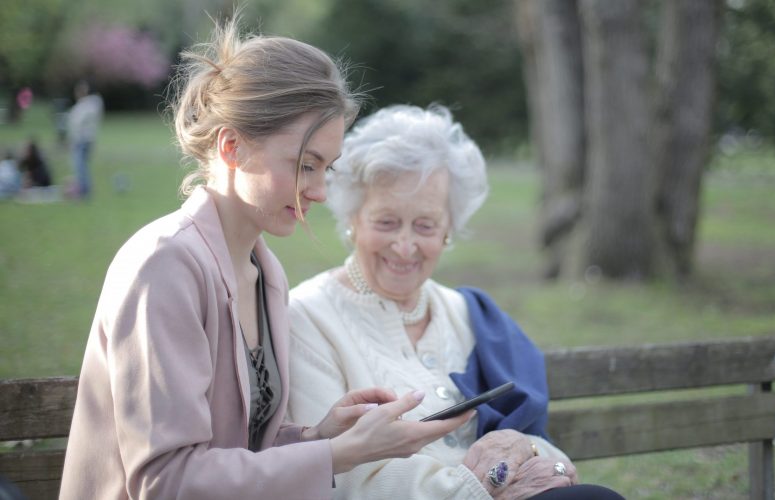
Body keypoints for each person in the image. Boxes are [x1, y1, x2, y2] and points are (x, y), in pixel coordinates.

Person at [59, 19, 472, 500]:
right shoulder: (164, 266)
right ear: (232, 147)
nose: (318, 191)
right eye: (304, 165)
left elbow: (240, 448)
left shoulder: (264, 271)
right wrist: (338, 456)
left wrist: (321, 436)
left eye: (326, 168)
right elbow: (166, 482)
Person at [287, 105, 624, 500]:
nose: (405, 245)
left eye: (426, 225)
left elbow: (545, 451)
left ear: (448, 231)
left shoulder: (468, 314)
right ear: (353, 219)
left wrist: (528, 451)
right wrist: (478, 486)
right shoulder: (306, 317)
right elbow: (339, 478)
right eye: (387, 222)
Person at [66, 80, 103, 198]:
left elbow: (78, 124)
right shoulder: (87, 105)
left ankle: (84, 190)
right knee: (81, 166)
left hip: (82, 140)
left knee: (80, 166)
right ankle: (83, 189)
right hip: (85, 140)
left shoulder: (88, 106)